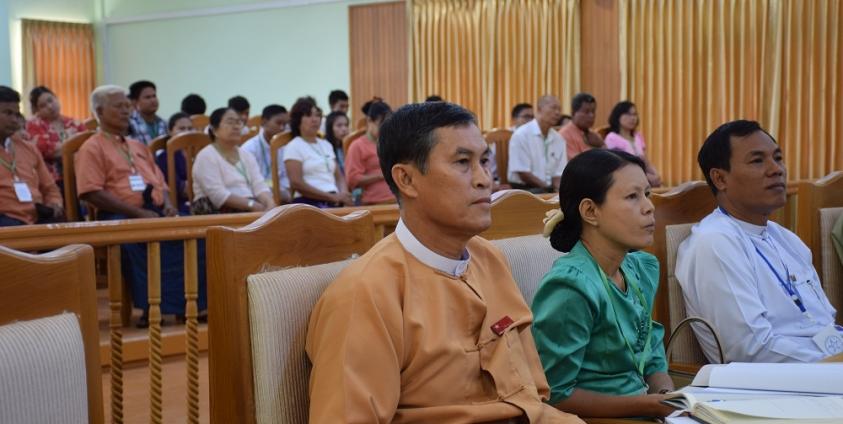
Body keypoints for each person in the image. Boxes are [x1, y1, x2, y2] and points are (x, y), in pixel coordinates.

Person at [306, 101, 584, 423]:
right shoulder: (366, 292)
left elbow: (533, 396)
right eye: (463, 162)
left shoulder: (488, 258)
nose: (484, 180)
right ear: (407, 180)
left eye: (484, 161)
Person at [676, 120, 841, 363]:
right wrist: (830, 365)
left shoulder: (785, 238)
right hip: (773, 388)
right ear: (720, 179)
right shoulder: (714, 243)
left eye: (778, 158)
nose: (777, 169)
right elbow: (749, 349)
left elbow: (824, 322)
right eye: (757, 160)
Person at [531, 149, 674, 419]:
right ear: (590, 211)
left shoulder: (640, 268)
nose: (649, 206)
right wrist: (650, 405)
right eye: (633, 197)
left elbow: (650, 348)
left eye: (647, 194)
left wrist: (667, 396)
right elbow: (555, 395)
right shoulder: (569, 287)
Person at [78, 85, 201, 326]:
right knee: (138, 239)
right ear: (100, 112)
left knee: (193, 234)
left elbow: (160, 182)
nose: (126, 111)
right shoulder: (91, 147)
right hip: (118, 215)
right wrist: (137, 213)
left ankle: (187, 306)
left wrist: (167, 205)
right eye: (119, 106)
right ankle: (152, 309)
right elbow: (91, 192)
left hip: (152, 212)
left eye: (127, 106)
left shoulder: (137, 146)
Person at [0, 86, 64, 226]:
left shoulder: (28, 148)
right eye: (8, 113)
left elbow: (50, 188)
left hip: (37, 217)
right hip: (5, 221)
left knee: (75, 241)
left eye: (16, 114)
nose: (14, 120)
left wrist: (54, 204)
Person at [192, 107, 275, 214]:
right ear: (214, 130)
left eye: (238, 122)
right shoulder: (206, 156)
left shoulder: (246, 155)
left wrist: (270, 204)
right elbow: (218, 195)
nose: (236, 127)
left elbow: (259, 185)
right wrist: (252, 205)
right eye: (230, 122)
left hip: (250, 207)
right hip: (217, 211)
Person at [284, 97, 352, 208]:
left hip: (333, 200)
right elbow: (296, 183)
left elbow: (339, 177)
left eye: (317, 115)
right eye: (309, 115)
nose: (315, 119)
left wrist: (344, 194)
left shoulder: (326, 144)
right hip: (307, 203)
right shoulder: (293, 146)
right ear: (298, 120)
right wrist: (332, 197)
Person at [25, 86, 87, 187]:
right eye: (43, 106)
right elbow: (48, 151)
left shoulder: (72, 122)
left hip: (79, 171)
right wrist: (74, 144)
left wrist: (64, 146)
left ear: (56, 98)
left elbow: (87, 144)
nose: (50, 106)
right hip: (52, 178)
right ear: (36, 110)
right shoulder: (33, 125)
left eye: (51, 100)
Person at [507, 95, 568, 193]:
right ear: (539, 109)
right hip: (524, 189)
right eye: (553, 108)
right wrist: (548, 190)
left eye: (559, 109)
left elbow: (558, 174)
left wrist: (559, 191)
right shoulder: (521, 135)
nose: (557, 113)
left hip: (548, 189)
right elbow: (523, 173)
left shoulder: (559, 139)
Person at [344, 101, 394, 205]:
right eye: (381, 125)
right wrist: (381, 176)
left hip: (397, 200)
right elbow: (352, 180)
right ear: (369, 121)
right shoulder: (357, 146)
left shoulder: (391, 143)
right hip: (373, 202)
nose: (385, 129)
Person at [604, 101, 662, 187]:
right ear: (617, 116)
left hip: (643, 178)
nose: (633, 118)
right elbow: (620, 167)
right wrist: (646, 177)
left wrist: (656, 175)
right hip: (624, 180)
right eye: (628, 114)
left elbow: (646, 162)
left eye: (635, 114)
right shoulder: (612, 138)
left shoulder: (638, 136)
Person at [241, 104, 291, 203]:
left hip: (281, 194)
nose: (282, 128)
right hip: (257, 196)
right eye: (278, 123)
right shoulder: (249, 148)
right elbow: (247, 182)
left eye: (285, 124)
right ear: (264, 122)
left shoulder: (284, 146)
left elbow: (285, 177)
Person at [154, 112, 194, 214]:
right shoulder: (165, 157)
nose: (187, 133)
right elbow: (184, 191)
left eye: (190, 129)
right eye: (181, 129)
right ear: (170, 131)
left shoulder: (199, 152)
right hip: (179, 206)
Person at [558, 93, 604, 160]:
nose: (591, 116)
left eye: (593, 111)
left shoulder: (594, 135)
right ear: (573, 113)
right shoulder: (564, 135)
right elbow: (576, 164)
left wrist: (601, 145)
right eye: (586, 112)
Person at [127, 80, 167, 145]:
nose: (153, 100)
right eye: (147, 97)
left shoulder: (164, 123)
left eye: (154, 96)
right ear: (135, 102)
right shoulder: (129, 123)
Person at [323, 111, 349, 175]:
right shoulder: (324, 147)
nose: (344, 129)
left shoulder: (349, 146)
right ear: (330, 128)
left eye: (346, 125)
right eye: (339, 125)